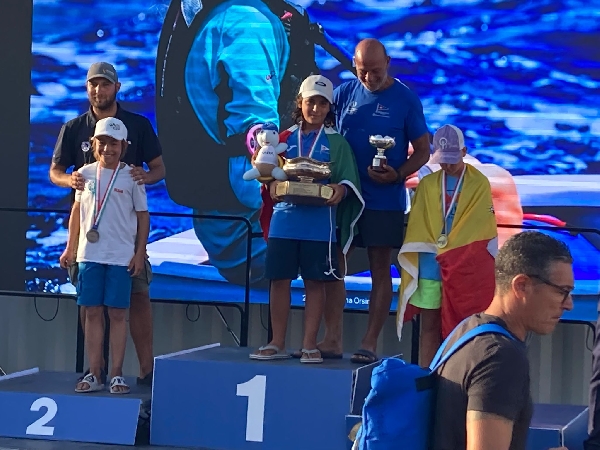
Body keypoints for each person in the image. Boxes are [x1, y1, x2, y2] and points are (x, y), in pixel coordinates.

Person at [156, 0, 322, 287]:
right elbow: (253, 165)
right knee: (379, 223)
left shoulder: (232, 15)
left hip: (223, 221)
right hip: (248, 238)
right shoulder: (246, 24)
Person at [49, 62, 164, 385]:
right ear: (87, 88)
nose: (98, 90)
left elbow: (158, 168)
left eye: (105, 84)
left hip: (125, 237)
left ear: (117, 87)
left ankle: (145, 371)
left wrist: (145, 177)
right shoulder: (73, 128)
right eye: (93, 84)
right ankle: (95, 371)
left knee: (136, 297)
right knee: (90, 305)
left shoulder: (138, 125)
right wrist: (69, 180)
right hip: (88, 235)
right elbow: (55, 172)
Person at [316, 38, 431, 364]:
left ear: (388, 63)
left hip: (384, 200)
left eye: (376, 71)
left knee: (381, 268)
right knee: (335, 264)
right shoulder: (343, 94)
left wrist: (397, 174)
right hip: (345, 197)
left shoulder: (406, 99)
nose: (369, 78)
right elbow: (321, 134)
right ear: (354, 66)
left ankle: (369, 342)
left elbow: (423, 151)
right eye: (362, 71)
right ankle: (332, 338)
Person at [249, 75, 364, 363]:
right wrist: (269, 182)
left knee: (315, 283)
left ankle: (310, 344)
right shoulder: (283, 139)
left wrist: (340, 189)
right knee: (279, 280)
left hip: (319, 225)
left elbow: (349, 180)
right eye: (311, 102)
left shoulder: (337, 143)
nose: (316, 108)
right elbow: (266, 172)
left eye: (322, 103)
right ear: (300, 103)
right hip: (285, 221)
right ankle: (276, 342)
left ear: (329, 108)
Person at [431, 231, 573, 450]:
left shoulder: (467, 331)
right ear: (521, 285)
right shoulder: (500, 357)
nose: (568, 304)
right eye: (562, 291)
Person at [59, 117, 150, 394]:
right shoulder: (84, 174)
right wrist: (70, 248)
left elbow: (143, 217)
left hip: (121, 257)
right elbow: (76, 213)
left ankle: (117, 374)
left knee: (118, 314)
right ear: (93, 144)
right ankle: (95, 372)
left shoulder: (133, 177)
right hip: (89, 255)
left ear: (123, 147)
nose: (107, 149)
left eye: (113, 144)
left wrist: (139, 253)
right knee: (92, 312)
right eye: (102, 143)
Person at [397, 124, 498, 367]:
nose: (448, 165)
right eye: (443, 160)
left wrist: (451, 248)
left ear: (464, 151)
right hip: (430, 264)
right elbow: (419, 224)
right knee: (429, 325)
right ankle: (426, 375)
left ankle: (456, 374)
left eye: (453, 159)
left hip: (462, 265)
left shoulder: (479, 183)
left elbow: (480, 229)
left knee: (462, 324)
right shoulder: (428, 184)